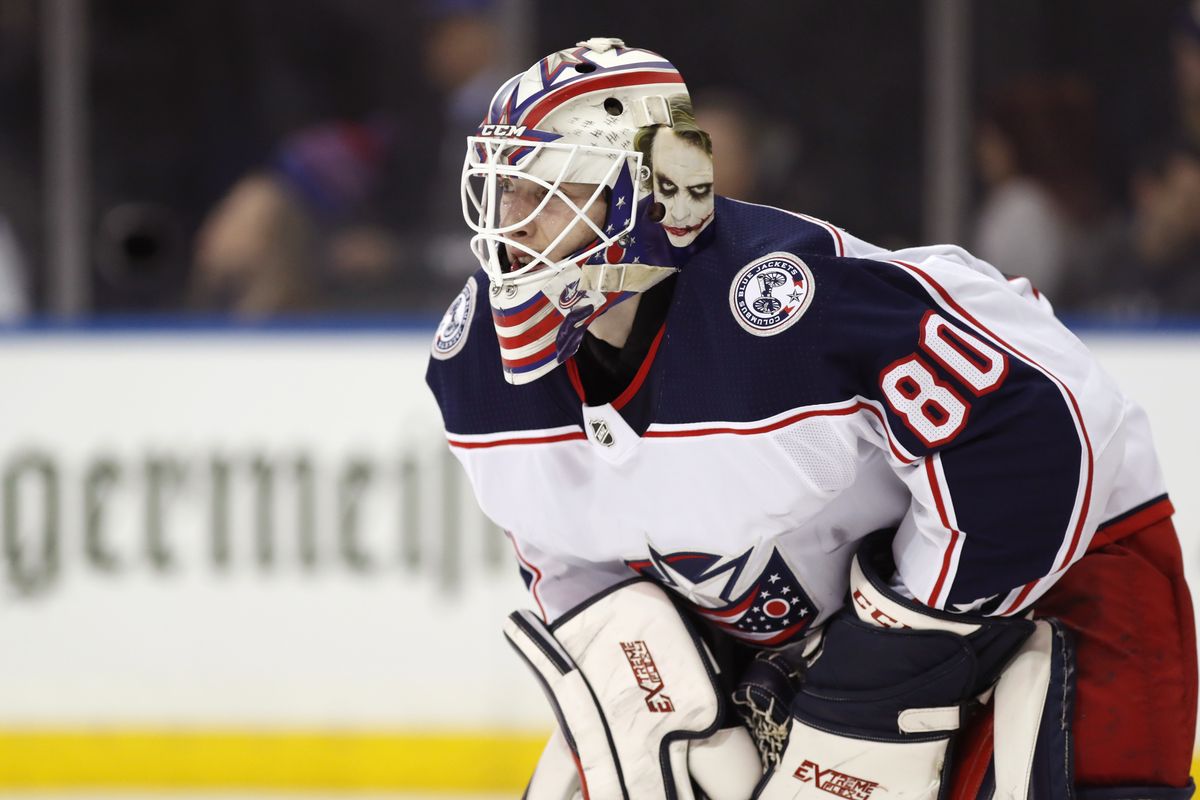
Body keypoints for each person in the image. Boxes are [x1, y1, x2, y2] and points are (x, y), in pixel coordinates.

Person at [426, 38, 1195, 800]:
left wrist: (878, 682)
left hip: (1067, 550)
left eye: (548, 191)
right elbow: (573, 550)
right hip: (816, 623)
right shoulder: (474, 371)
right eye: (505, 191)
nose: (514, 224)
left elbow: (1037, 436)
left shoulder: (784, 313)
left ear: (653, 190)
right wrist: (663, 691)